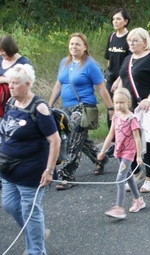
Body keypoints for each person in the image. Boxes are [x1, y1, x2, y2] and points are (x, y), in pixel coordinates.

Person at [0, 65, 59, 254]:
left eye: (15, 83)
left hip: (33, 171)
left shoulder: (39, 108)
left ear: (27, 84)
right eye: (10, 83)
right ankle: (36, 236)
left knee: (30, 211)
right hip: (9, 169)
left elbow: (54, 140)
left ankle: (36, 250)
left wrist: (49, 170)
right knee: (9, 205)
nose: (11, 87)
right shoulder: (10, 103)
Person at [49, 33, 114, 190]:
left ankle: (67, 175)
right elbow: (58, 85)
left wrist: (111, 108)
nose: (74, 47)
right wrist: (49, 105)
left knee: (74, 141)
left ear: (85, 47)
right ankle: (100, 158)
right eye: (72, 44)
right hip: (66, 108)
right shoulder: (64, 63)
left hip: (83, 107)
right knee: (79, 139)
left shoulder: (90, 65)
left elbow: (101, 88)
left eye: (78, 44)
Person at [113, 28, 150, 193]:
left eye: (135, 40)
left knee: (149, 143)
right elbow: (124, 79)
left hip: (148, 108)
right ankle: (136, 174)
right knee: (129, 143)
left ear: (145, 42)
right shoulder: (128, 59)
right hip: (130, 110)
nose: (131, 43)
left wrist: (149, 99)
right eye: (130, 40)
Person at [0, 35, 32, 191]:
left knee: (8, 142)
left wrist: (4, 79)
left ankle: (4, 176)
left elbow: (28, 80)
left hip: (15, 107)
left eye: (3, 50)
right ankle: (12, 171)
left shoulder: (22, 62)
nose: (1, 54)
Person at [97, 88, 144, 219]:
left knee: (120, 179)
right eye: (116, 102)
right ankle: (138, 200)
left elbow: (137, 138)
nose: (118, 105)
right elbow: (110, 134)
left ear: (128, 102)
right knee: (128, 176)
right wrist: (103, 151)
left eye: (122, 102)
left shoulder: (132, 119)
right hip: (119, 151)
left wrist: (138, 156)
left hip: (129, 153)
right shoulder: (116, 116)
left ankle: (119, 208)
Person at [104, 9, 131, 157]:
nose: (115, 21)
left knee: (123, 109)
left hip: (123, 79)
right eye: (113, 19)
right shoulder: (112, 36)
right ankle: (113, 143)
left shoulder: (129, 38)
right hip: (111, 77)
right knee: (111, 110)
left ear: (125, 21)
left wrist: (120, 80)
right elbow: (109, 59)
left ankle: (126, 140)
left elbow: (129, 62)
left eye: (118, 19)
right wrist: (107, 75)